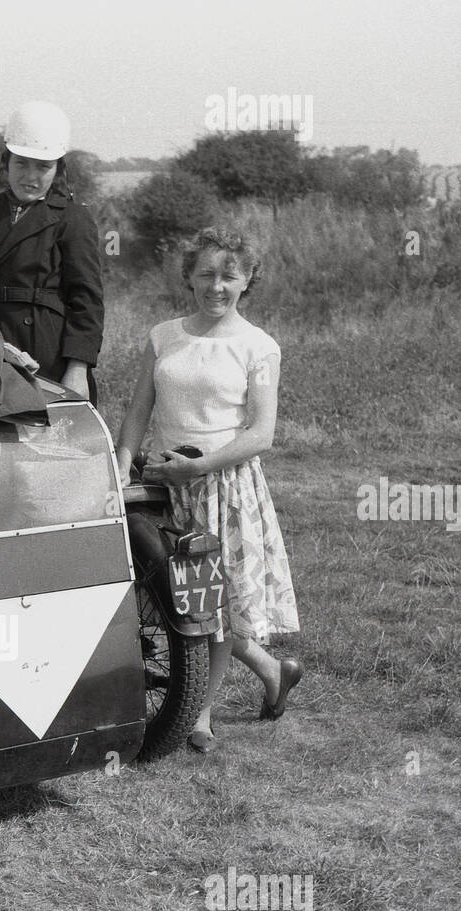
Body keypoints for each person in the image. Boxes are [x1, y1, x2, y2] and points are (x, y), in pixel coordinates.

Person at [115, 225, 302, 752]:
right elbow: (137, 411)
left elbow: (261, 434)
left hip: (222, 488)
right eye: (206, 274)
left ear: (247, 282)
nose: (216, 286)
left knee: (212, 606)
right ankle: (272, 670)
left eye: (230, 276)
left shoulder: (259, 348)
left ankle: (197, 714)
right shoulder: (164, 336)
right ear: (188, 278)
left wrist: (197, 470)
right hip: (161, 487)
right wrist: (124, 462)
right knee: (177, 599)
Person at [0, 101, 104, 399]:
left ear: (58, 169)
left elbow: (86, 300)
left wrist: (77, 371)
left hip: (51, 356)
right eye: (21, 163)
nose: (31, 176)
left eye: (43, 166)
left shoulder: (73, 218)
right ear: (5, 164)